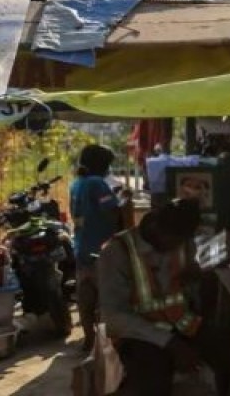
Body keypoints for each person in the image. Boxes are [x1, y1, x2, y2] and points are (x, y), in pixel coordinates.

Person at [98, 198, 230, 396]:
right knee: (153, 378)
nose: (180, 245)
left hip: (184, 325)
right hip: (139, 335)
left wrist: (198, 279)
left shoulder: (182, 242)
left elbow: (186, 292)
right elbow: (113, 318)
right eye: (176, 239)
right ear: (154, 226)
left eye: (184, 239)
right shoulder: (116, 252)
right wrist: (169, 342)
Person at [70, 144, 124, 352]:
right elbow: (112, 210)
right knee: (105, 298)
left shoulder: (77, 183)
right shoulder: (97, 183)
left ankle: (88, 338)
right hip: (101, 247)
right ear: (103, 165)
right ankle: (104, 342)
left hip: (82, 246)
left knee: (85, 295)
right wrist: (121, 199)